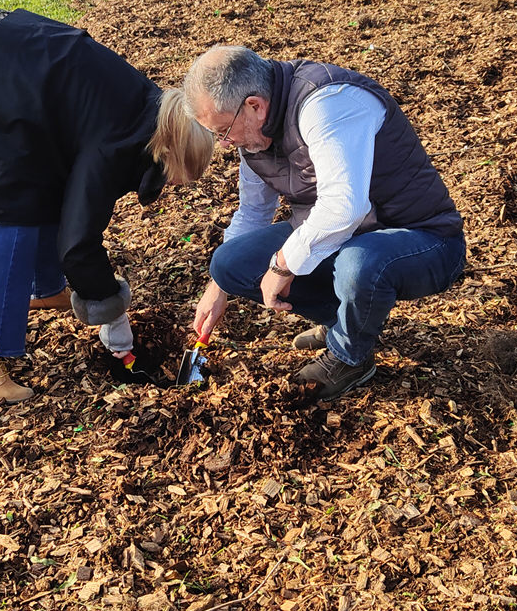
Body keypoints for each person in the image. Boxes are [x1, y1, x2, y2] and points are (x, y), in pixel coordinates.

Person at [0, 9, 214, 402]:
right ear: (168, 152)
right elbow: (79, 240)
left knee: (40, 185)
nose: (175, 185)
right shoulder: (116, 141)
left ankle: (45, 288)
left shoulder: (149, 109)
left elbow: (68, 194)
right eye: (179, 176)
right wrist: (112, 314)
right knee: (8, 210)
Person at [183, 45, 465, 401]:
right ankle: (344, 321)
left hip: (422, 237)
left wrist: (283, 265)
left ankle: (351, 356)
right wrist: (217, 287)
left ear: (255, 105)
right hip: (350, 235)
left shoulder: (326, 104)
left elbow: (344, 207)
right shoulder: (252, 137)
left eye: (224, 131)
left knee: (358, 264)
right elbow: (253, 214)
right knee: (229, 264)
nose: (224, 143)